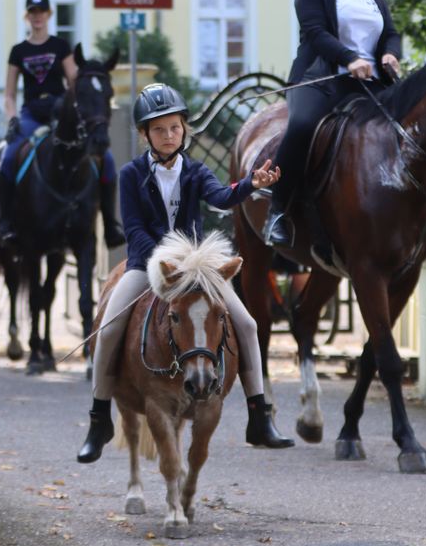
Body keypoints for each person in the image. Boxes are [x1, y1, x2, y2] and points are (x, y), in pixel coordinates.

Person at [77, 83, 295, 464]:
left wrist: (250, 184)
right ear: (145, 134)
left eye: (174, 128)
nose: (167, 136)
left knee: (246, 324)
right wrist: (164, 264)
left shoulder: (194, 170)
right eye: (159, 130)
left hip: (195, 269)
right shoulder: (130, 175)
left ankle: (260, 415)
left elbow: (222, 197)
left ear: (184, 130)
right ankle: (99, 418)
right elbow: (134, 230)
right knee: (110, 326)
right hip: (149, 266)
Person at [264, 0, 426, 255]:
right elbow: (316, 32)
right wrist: (350, 57)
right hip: (322, 79)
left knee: (413, 131)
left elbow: (391, 33)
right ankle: (278, 211)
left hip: (369, 83)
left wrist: (390, 55)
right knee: (303, 126)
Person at [0, 0, 125, 249]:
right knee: (8, 159)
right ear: (27, 16)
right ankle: (7, 223)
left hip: (60, 117)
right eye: (32, 13)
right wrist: (11, 119)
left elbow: (75, 85)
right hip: (31, 116)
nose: (37, 17)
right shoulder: (18, 51)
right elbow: (9, 94)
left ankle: (110, 224)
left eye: (41, 12)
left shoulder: (60, 46)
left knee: (106, 160)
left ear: (48, 15)